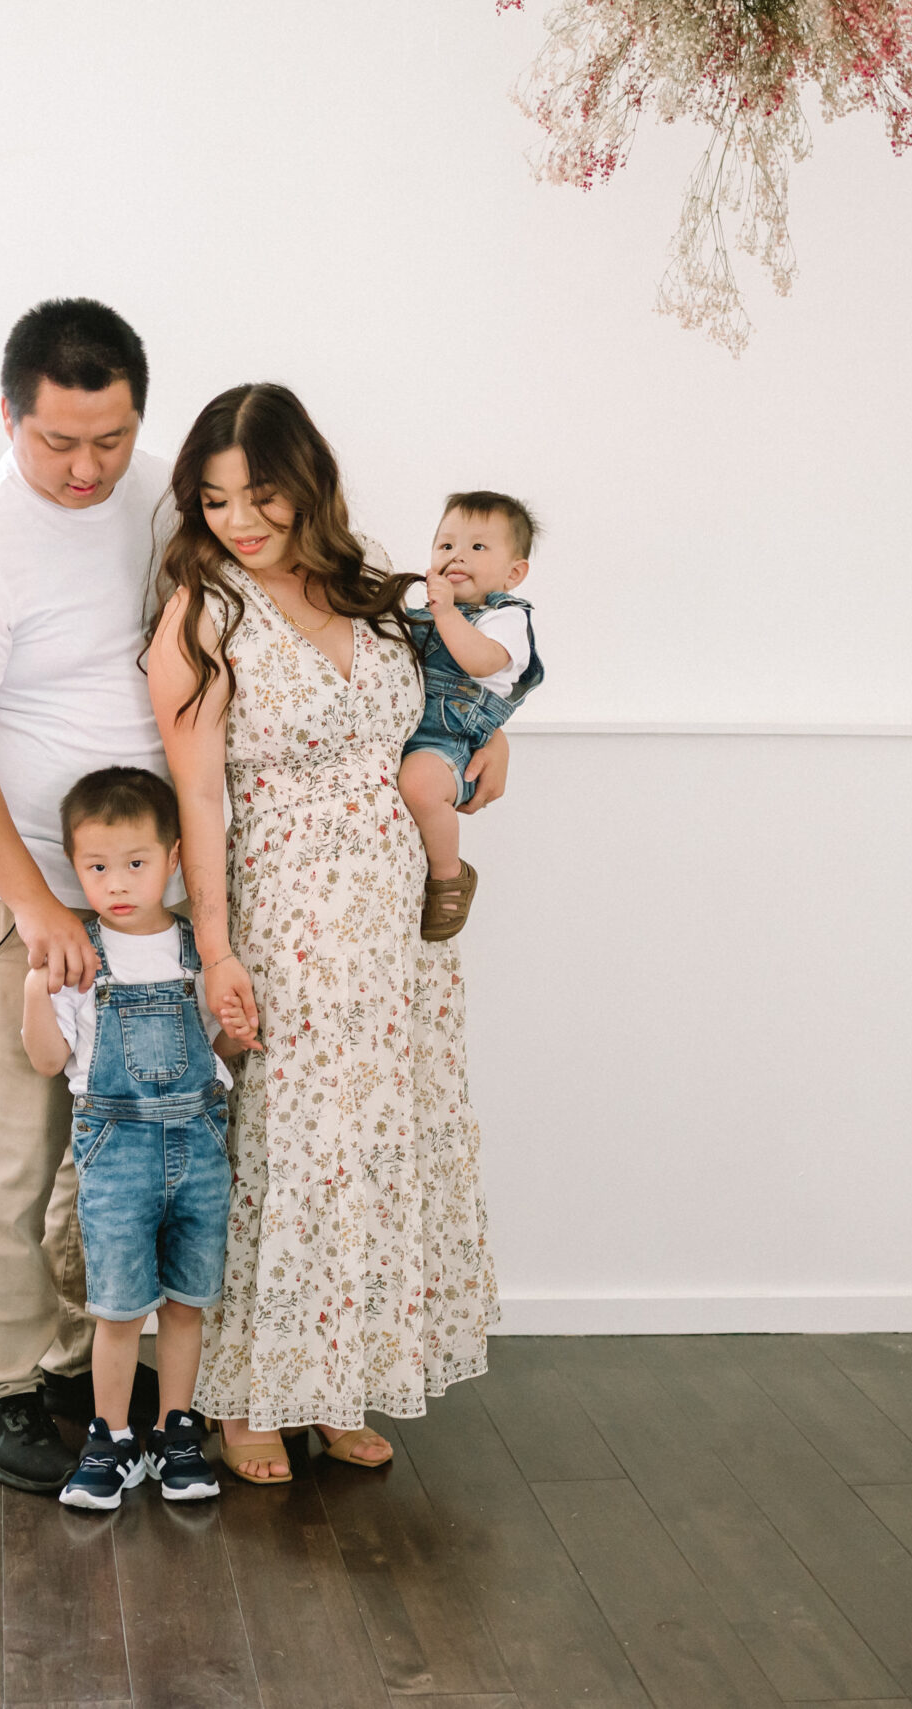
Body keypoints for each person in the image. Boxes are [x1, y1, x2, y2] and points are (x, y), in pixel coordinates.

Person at [146, 382, 503, 1485]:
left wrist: (493, 745)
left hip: (395, 922)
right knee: (288, 1150)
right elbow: (197, 796)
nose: (240, 522)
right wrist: (214, 946)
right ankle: (253, 1393)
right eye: (213, 502)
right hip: (289, 910)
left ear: (309, 487)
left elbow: (461, 698)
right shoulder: (202, 614)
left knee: (376, 1143)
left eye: (260, 496)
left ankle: (339, 1377)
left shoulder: (377, 593)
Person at [0, 299, 166, 1492]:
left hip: (138, 898)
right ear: (7, 413)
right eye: (58, 439)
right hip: (26, 895)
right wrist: (38, 908)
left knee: (104, 1153)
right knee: (14, 1152)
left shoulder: (156, 494)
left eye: (107, 438)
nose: (84, 467)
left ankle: (71, 1354)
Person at [20, 768, 244, 1509]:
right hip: (115, 1157)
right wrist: (35, 990)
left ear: (174, 857)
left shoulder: (196, 948)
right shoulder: (80, 955)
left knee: (186, 1302)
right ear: (74, 865)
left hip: (200, 1148)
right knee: (118, 1309)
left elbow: (220, 1048)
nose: (117, 882)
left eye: (136, 863)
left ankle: (175, 1429)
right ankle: (110, 1436)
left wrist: (242, 1033)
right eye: (96, 866)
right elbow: (52, 1062)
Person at [398, 492, 547, 941]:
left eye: (477, 547)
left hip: (453, 743)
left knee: (421, 785)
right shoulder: (426, 614)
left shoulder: (504, 618)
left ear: (513, 573)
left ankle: (448, 875)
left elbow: (480, 662)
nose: (456, 556)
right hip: (408, 735)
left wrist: (445, 614)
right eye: (445, 546)